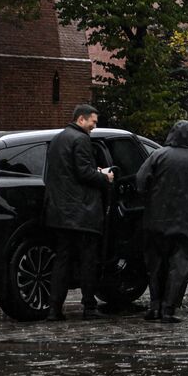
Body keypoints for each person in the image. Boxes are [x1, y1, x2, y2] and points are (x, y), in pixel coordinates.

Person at [135, 119, 188, 323]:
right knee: (180, 265)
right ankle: (169, 308)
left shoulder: (158, 155)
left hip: (156, 218)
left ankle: (154, 306)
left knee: (156, 264)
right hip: (186, 220)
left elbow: (140, 180)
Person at [43, 104, 114, 321]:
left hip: (59, 212)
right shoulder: (81, 139)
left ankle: (54, 309)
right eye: (92, 121)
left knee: (62, 260)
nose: (94, 126)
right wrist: (104, 177)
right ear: (81, 119)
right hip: (82, 213)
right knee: (87, 261)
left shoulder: (58, 139)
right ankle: (89, 307)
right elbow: (84, 173)